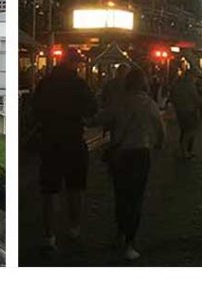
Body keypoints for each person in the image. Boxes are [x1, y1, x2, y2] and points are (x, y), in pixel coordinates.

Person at [95, 67, 165, 262]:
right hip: (140, 153)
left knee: (121, 195)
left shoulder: (120, 102)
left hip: (120, 154)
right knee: (135, 198)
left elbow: (99, 118)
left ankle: (119, 233)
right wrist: (159, 144)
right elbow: (160, 129)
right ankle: (130, 242)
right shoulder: (149, 104)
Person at [31, 50, 97, 251]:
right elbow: (92, 109)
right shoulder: (79, 85)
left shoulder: (45, 83)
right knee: (75, 188)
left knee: (49, 191)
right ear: (73, 64)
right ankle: (74, 228)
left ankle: (49, 234)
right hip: (72, 140)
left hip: (50, 141)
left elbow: (34, 110)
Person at [169, 68, 201, 158]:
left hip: (180, 110)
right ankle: (185, 150)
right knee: (190, 131)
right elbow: (196, 98)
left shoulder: (178, 85)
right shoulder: (190, 86)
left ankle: (184, 150)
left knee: (184, 131)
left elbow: (173, 97)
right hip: (189, 110)